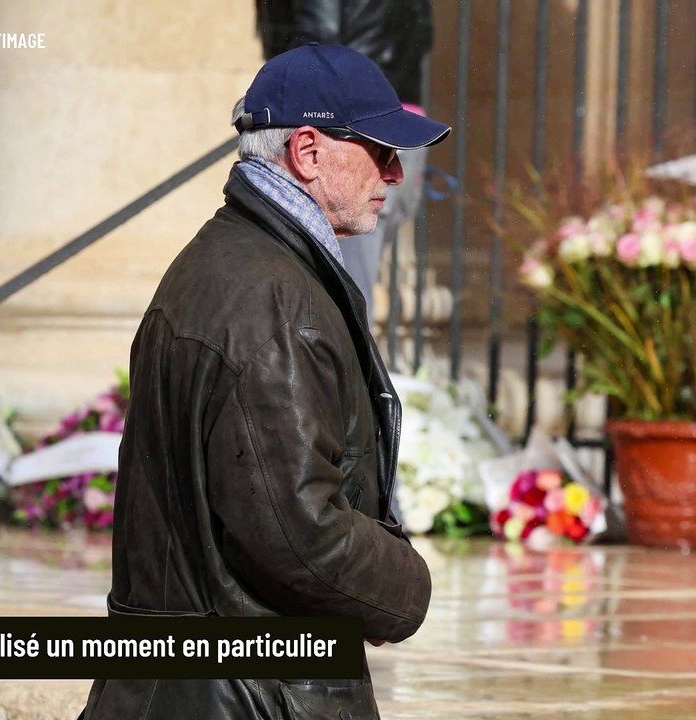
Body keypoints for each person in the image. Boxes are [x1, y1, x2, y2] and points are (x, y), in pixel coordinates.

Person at [78, 44, 450, 720]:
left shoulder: (233, 262)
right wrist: (405, 589)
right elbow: (297, 532)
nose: (395, 173)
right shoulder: (274, 299)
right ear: (308, 152)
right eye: (378, 148)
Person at [255, 0, 435, 326]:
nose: (392, 174)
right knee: (344, 288)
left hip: (369, 114)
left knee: (346, 286)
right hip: (362, 116)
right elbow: (319, 37)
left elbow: (318, 42)